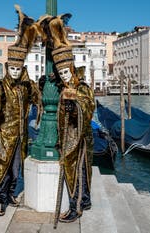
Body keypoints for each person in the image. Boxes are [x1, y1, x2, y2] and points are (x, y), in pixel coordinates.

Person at [0, 45, 42, 216]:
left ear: (22, 69)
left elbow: (37, 98)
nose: (15, 72)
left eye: (18, 69)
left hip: (21, 136)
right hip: (4, 137)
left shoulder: (24, 87)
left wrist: (35, 84)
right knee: (2, 171)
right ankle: (1, 200)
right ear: (7, 68)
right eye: (12, 68)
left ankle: (11, 194)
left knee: (16, 170)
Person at [51, 46, 95, 223]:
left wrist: (75, 107)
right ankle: (84, 201)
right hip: (67, 139)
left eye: (66, 72)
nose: (64, 76)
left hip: (79, 138)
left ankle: (75, 209)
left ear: (72, 69)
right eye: (61, 73)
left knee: (77, 172)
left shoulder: (81, 87)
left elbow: (88, 107)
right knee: (78, 172)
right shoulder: (64, 88)